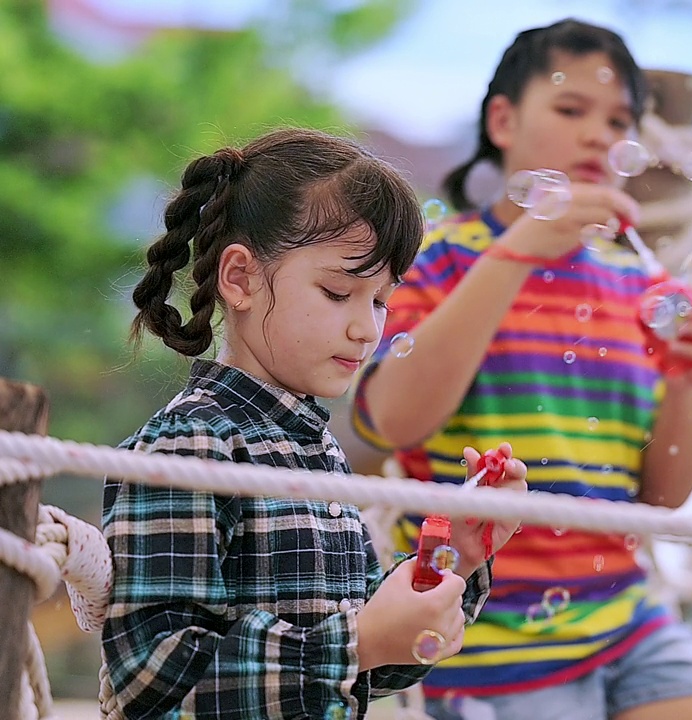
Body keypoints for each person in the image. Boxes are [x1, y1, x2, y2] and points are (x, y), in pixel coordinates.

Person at [353, 18, 692, 720]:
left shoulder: (644, 290)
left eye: (620, 122)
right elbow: (389, 423)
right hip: (478, 640)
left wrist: (687, 382)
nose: (599, 135)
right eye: (571, 111)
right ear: (502, 120)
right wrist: (517, 253)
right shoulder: (440, 261)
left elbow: (664, 496)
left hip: (628, 623)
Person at [102, 128, 526, 720]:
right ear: (241, 278)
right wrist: (358, 643)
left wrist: (453, 552)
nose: (366, 328)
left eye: (380, 301)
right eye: (337, 292)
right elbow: (153, 684)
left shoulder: (314, 448)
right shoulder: (191, 443)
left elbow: (366, 671)